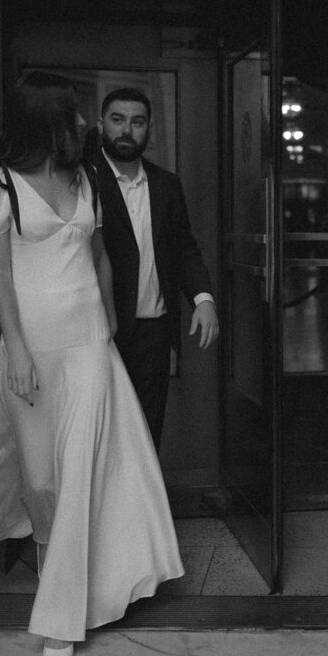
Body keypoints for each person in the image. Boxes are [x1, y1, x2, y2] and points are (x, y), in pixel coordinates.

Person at [0, 71, 183, 656]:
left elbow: (96, 254)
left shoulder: (85, 176)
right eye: (77, 113)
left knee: (92, 472)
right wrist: (14, 348)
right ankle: (58, 576)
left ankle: (60, 616)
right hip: (31, 350)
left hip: (90, 345)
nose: (88, 123)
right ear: (46, 119)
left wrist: (111, 320)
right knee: (42, 481)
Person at [88, 87, 218, 449]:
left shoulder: (166, 184)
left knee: (146, 432)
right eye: (117, 120)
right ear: (101, 124)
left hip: (154, 333)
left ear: (149, 128)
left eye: (137, 121)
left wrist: (203, 298)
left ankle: (142, 506)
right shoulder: (83, 179)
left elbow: (184, 249)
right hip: (99, 331)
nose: (127, 130)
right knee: (101, 432)